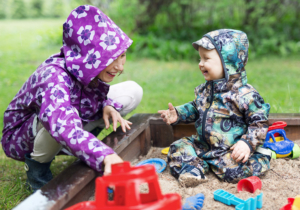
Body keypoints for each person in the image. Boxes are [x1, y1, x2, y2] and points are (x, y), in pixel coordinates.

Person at [1, 5, 143, 192]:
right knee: (60, 118)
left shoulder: (85, 66)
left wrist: (106, 105)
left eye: (122, 55)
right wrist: (105, 155)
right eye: (111, 59)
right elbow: (61, 122)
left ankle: (83, 143)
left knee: (133, 90)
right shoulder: (53, 77)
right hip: (25, 136)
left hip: (72, 116)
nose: (120, 67)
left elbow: (90, 92)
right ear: (88, 56)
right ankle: (37, 169)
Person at [158, 29, 271, 187]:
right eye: (200, 58)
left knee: (233, 174)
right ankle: (194, 170)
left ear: (228, 63)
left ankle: (260, 157)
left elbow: (259, 122)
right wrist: (178, 113)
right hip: (202, 146)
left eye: (206, 59)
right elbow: (197, 108)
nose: (200, 63)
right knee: (178, 147)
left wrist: (247, 143)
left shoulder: (245, 95)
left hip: (228, 150)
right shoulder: (205, 90)